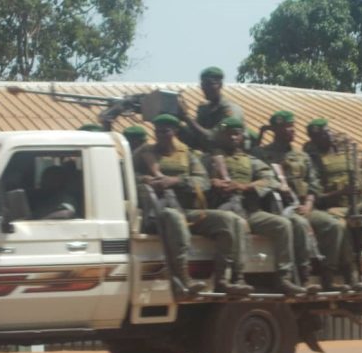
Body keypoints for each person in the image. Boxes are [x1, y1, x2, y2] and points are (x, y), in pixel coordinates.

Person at [132, 114, 253, 298]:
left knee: (227, 220)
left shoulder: (187, 155)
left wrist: (175, 181)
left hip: (186, 209)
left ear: (175, 132)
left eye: (165, 131)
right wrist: (146, 179)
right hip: (158, 211)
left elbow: (203, 181)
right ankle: (183, 280)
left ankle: (223, 280)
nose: (160, 135)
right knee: (175, 218)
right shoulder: (144, 153)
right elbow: (126, 175)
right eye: (157, 131)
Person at [203, 116, 308, 296]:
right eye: (228, 134)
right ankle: (237, 277)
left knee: (282, 225)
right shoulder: (208, 159)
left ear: (242, 137)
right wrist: (213, 182)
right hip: (222, 208)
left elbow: (271, 180)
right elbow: (197, 179)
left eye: (236, 134)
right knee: (234, 224)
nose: (233, 138)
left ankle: (284, 277)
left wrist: (243, 186)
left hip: (250, 210)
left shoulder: (250, 160)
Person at [253, 110, 344, 291]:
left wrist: (309, 204)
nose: (291, 130)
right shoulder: (261, 154)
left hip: (303, 206)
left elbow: (314, 184)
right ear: (275, 130)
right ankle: (304, 278)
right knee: (300, 224)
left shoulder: (302, 156)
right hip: (278, 208)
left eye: (292, 126)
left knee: (334, 225)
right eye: (285, 127)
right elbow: (258, 179)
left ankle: (328, 275)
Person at [303, 118, 362, 288]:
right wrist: (341, 192)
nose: (327, 136)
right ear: (314, 139)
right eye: (321, 135)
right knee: (341, 226)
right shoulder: (312, 160)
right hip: (332, 209)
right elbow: (316, 196)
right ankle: (350, 271)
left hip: (357, 203)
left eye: (327, 132)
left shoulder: (348, 152)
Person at [178, 66, 244, 151]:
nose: (205, 88)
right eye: (203, 84)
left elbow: (213, 139)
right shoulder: (204, 109)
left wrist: (186, 117)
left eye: (210, 84)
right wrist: (177, 120)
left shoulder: (230, 110)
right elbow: (194, 137)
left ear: (220, 85)